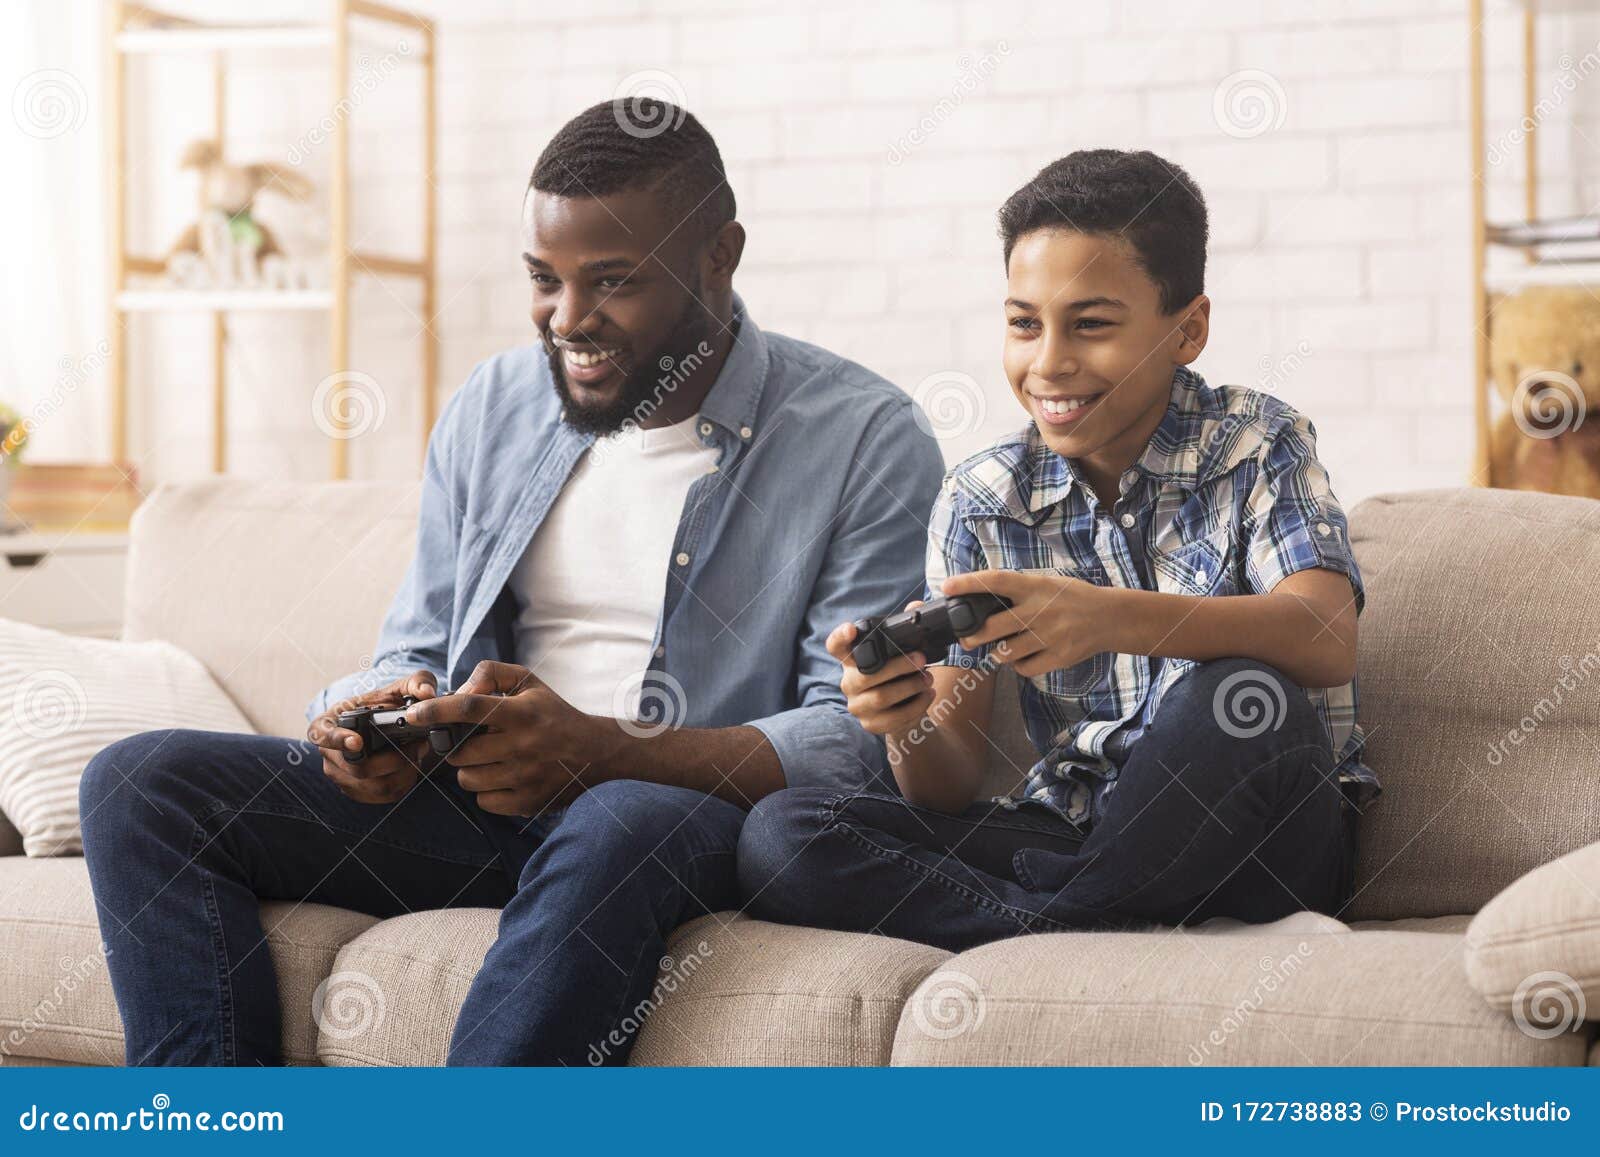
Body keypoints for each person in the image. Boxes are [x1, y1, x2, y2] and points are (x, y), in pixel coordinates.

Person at [78, 99, 943, 1065]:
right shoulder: (495, 405)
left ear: (719, 255)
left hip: (674, 818)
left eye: (612, 282)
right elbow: (417, 641)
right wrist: (370, 716)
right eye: (544, 280)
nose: (569, 320)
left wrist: (604, 752)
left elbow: (857, 744)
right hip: (479, 809)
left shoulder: (863, 435)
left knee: (618, 817)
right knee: (142, 781)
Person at [738, 149, 1381, 952]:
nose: (1048, 363)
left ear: (1189, 329)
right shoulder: (981, 500)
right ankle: (1080, 925)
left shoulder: (1256, 441)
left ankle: (1049, 925)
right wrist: (901, 720)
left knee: (1240, 695)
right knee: (782, 833)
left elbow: (1324, 635)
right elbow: (946, 783)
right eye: (1023, 323)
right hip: (1075, 835)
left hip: (1260, 843)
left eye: (1091, 324)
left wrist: (1109, 617)